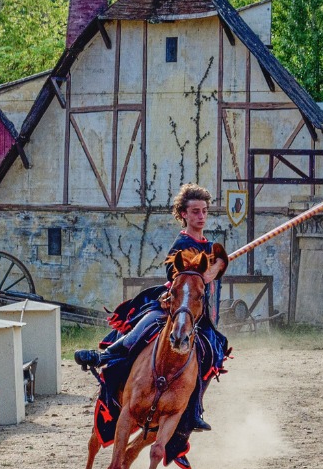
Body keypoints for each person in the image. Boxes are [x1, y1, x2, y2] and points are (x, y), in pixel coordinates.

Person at [75, 183, 229, 433]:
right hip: (173, 306)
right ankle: (105, 356)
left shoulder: (209, 247)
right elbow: (176, 273)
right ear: (184, 215)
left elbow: (218, 265)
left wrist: (219, 263)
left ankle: (193, 409)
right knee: (142, 329)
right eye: (195, 212)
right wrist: (209, 271)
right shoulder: (180, 245)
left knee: (213, 353)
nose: (201, 216)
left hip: (200, 316)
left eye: (204, 211)